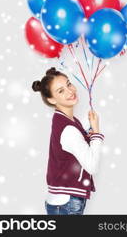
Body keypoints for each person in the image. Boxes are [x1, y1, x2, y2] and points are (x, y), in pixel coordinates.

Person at [32, 67, 105, 215]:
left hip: (62, 202)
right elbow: (92, 166)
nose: (70, 91)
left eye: (69, 84)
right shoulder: (68, 129)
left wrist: (87, 134)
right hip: (67, 204)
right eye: (61, 91)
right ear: (51, 99)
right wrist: (96, 132)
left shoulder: (66, 120)